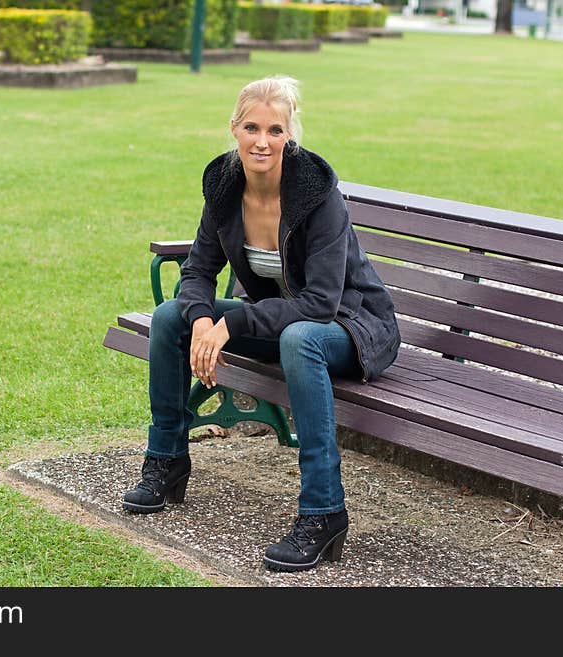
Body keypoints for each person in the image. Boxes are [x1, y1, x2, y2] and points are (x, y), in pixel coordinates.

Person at [121, 76, 401, 573]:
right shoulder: (225, 190)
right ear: (234, 129)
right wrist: (205, 318)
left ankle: (323, 511)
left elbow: (318, 303)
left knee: (299, 338)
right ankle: (166, 461)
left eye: (275, 129)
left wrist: (230, 327)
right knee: (170, 318)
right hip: (284, 326)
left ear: (290, 135)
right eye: (252, 127)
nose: (262, 141)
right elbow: (199, 271)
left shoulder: (319, 197)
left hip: (350, 326)